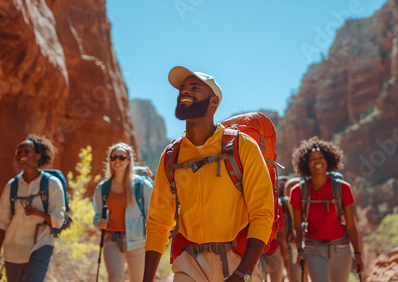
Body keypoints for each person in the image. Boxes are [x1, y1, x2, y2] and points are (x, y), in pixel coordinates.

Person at [143, 66, 274, 282]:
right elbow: (158, 222)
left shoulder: (242, 146)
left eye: (195, 88)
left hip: (237, 262)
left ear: (214, 102)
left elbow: (262, 213)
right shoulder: (171, 155)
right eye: (182, 89)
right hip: (189, 263)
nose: (184, 92)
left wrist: (243, 272)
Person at [0, 134, 65, 282]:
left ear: (38, 156)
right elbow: (1, 224)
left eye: (26, 151)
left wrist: (37, 213)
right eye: (19, 152)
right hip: (13, 251)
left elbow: (58, 220)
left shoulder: (52, 184)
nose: (22, 155)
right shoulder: (12, 186)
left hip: (41, 245)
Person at [289, 136, 364, 282]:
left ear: (328, 160)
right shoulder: (298, 191)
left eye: (321, 157)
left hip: (341, 248)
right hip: (313, 249)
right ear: (305, 163)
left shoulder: (343, 188)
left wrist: (358, 253)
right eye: (312, 159)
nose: (317, 161)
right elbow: (297, 227)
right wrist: (299, 251)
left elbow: (351, 225)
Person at [93, 142, 153, 282]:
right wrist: (99, 222)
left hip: (138, 241)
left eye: (121, 157)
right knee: (115, 278)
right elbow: (97, 216)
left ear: (128, 160)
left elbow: (151, 214)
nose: (117, 161)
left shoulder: (142, 185)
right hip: (111, 240)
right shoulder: (103, 188)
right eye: (113, 157)